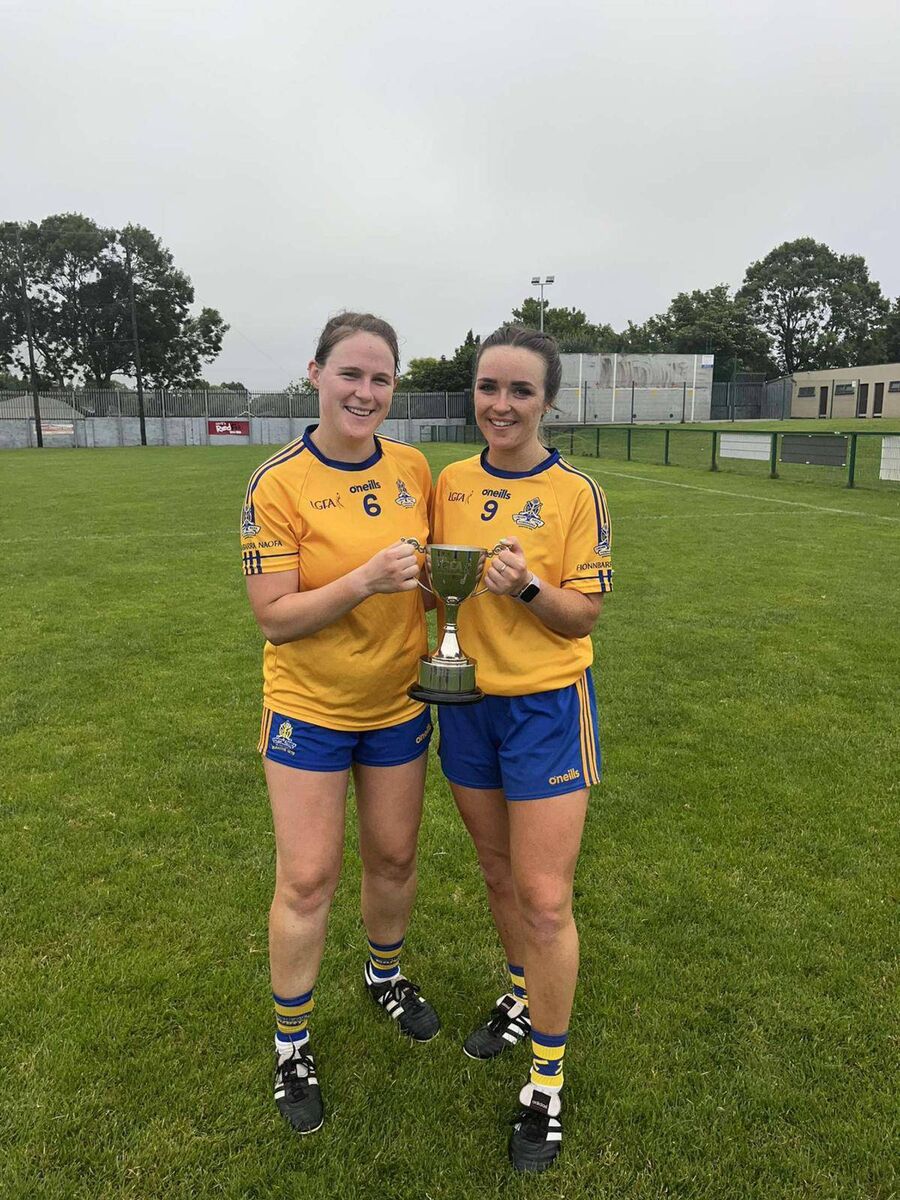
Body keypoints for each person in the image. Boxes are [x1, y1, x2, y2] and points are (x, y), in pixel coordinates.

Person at [241, 312, 439, 1137]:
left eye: (381, 378)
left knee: (393, 858)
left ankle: (383, 973)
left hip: (398, 702)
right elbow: (276, 618)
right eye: (351, 373)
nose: (365, 392)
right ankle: (293, 1042)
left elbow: (431, 580)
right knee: (308, 877)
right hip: (309, 711)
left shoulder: (415, 467)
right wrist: (363, 580)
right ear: (316, 373)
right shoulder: (277, 483)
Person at [430, 325, 613, 1173]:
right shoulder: (449, 481)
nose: (501, 405)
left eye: (520, 392)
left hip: (545, 708)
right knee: (498, 875)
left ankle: (547, 1076)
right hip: (464, 703)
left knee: (544, 897)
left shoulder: (576, 492)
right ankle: (517, 989)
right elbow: (438, 580)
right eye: (488, 387)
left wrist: (531, 587)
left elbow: (583, 615)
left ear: (547, 401)